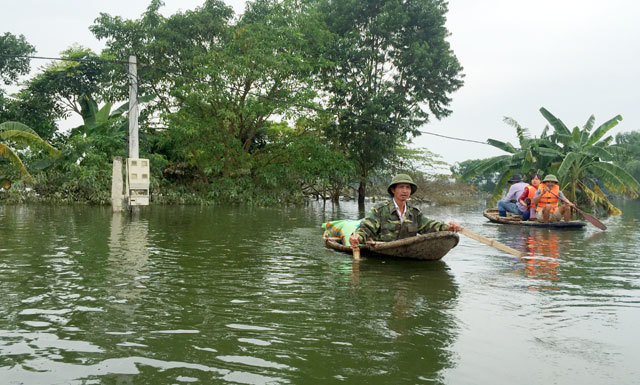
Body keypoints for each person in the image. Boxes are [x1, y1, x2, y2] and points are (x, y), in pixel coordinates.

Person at [349, 174, 461, 248]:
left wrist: (447, 227)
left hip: (407, 251)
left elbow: (428, 226)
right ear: (393, 190)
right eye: (401, 187)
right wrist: (357, 237)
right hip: (383, 252)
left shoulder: (414, 213)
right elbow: (366, 228)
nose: (405, 191)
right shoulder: (380, 210)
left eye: (407, 187)